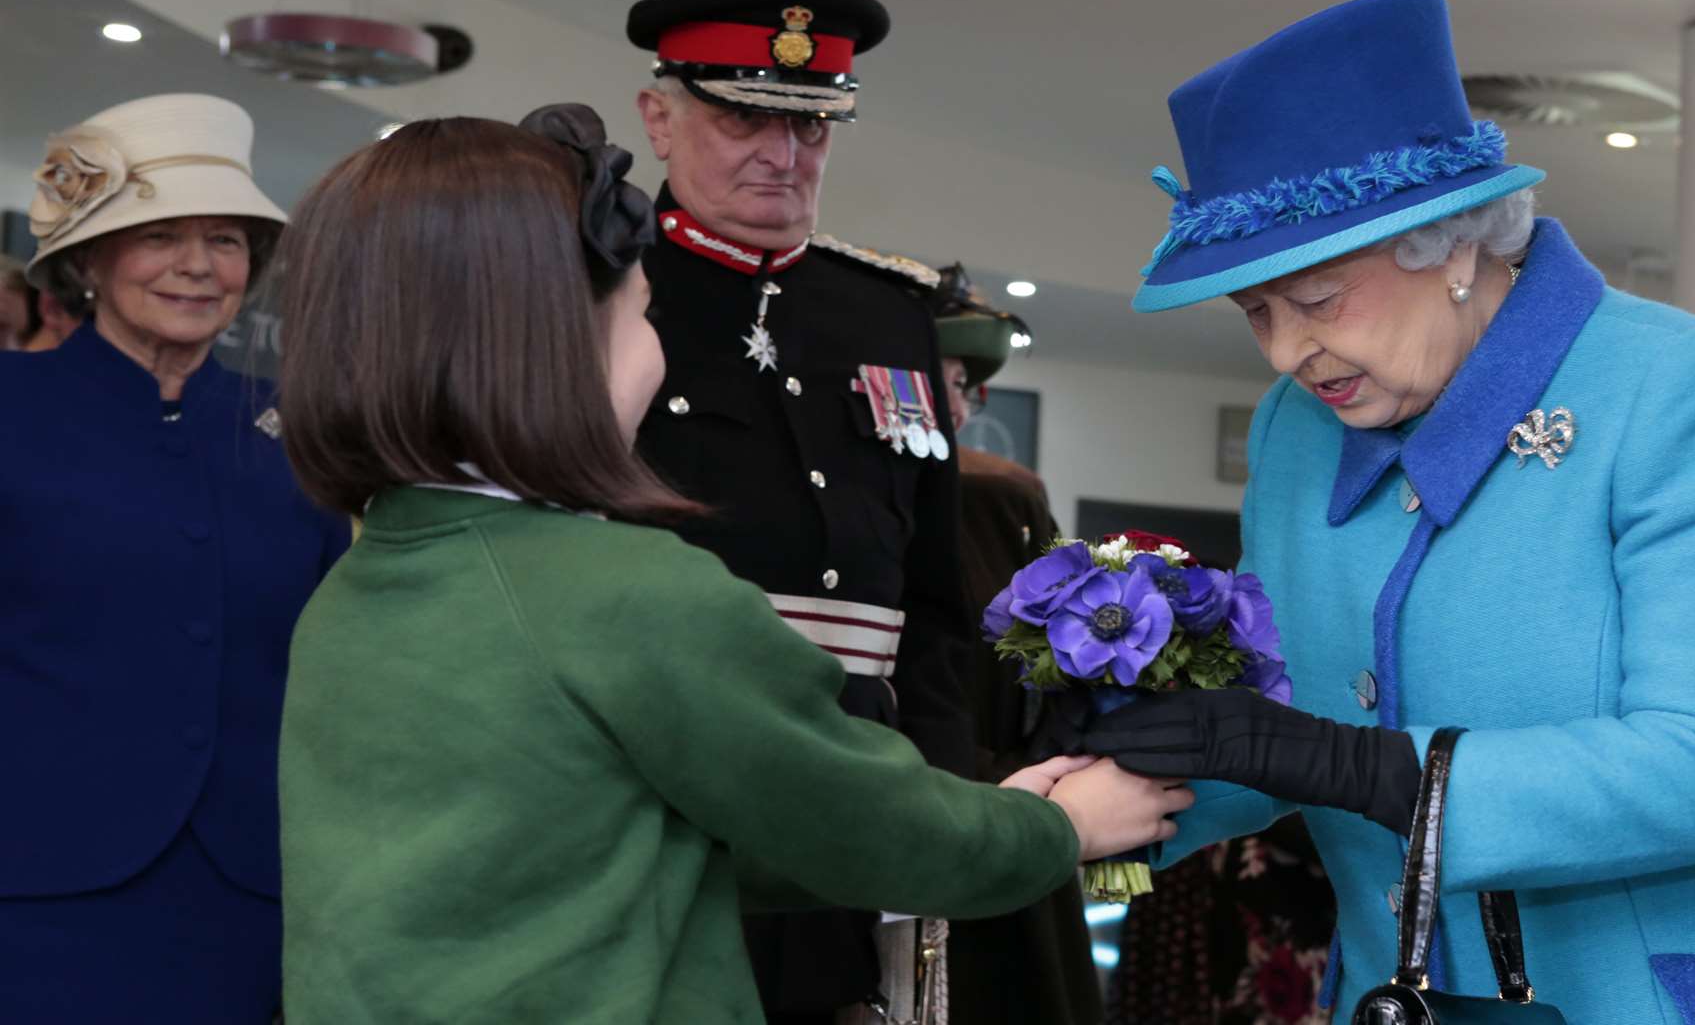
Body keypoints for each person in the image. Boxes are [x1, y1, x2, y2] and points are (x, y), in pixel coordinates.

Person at [269, 106, 1191, 1025]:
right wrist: (1060, 828)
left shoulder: (366, 581)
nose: (660, 351)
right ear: (551, 351)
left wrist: (981, 810)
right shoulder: (626, 591)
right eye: (640, 315)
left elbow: (600, 841)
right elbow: (858, 821)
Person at [1080, 0, 1695, 1023]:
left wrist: (1345, 761)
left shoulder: (1678, 387)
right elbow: (1291, 737)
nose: (1289, 351)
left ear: (1454, 244)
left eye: (1320, 301)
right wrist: (1113, 797)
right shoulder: (1294, 430)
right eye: (1257, 312)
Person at [627, 0, 979, 1023]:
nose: (783, 156)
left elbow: (933, 601)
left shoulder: (888, 314)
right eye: (745, 118)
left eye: (812, 128)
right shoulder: (597, 289)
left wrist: (943, 803)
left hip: (850, 798)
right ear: (659, 116)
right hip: (659, 803)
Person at [0, 93, 350, 1022]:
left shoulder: (298, 427)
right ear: (89, 258)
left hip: (249, 891)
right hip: (35, 886)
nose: (199, 267)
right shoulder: (9, 404)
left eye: (227, 240)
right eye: (162, 236)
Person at [929, 264, 1103, 1025]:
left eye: (962, 383)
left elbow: (1065, 672)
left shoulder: (1001, 498)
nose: (956, 402)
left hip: (1004, 820)